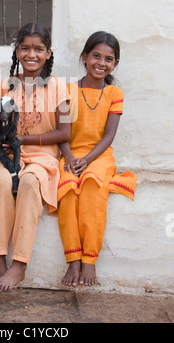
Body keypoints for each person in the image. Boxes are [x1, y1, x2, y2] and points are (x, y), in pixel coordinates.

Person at [0, 22, 71, 291]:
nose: (31, 54)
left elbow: (64, 132)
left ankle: (19, 264)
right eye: (25, 48)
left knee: (28, 183)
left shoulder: (60, 87)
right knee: (1, 182)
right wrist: (5, 145)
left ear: (48, 53)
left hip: (43, 159)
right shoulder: (4, 86)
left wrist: (24, 140)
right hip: (10, 155)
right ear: (17, 51)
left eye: (38, 49)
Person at [57, 31, 137, 287]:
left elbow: (109, 136)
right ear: (84, 57)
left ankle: (90, 258)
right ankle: (73, 259)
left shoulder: (115, 93)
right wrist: (69, 156)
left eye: (109, 59)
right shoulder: (66, 90)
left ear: (115, 64)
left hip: (100, 155)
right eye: (96, 56)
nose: (101, 63)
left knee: (92, 188)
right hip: (70, 153)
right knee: (68, 190)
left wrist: (89, 160)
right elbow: (62, 132)